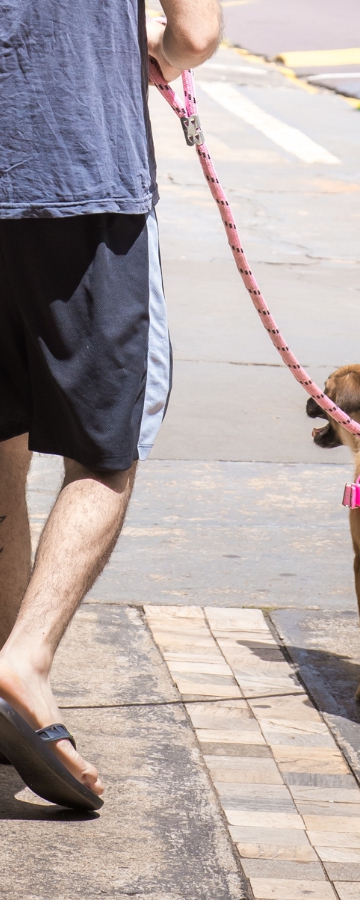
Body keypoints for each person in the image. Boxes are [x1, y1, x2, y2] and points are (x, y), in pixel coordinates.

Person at [0, 0, 221, 800]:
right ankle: (22, 663)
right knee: (105, 451)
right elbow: (194, 32)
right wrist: (156, 58)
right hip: (80, 175)